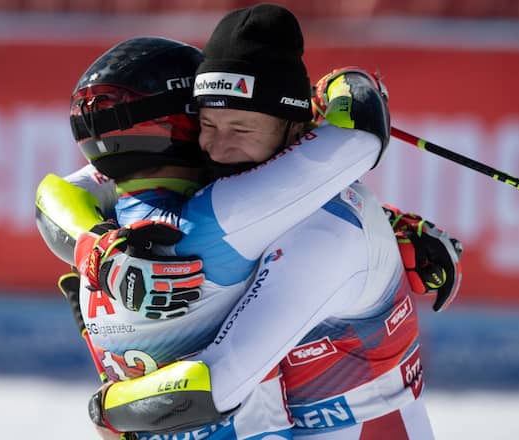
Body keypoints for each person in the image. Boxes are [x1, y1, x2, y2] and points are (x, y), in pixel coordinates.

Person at [36, 5, 461, 439]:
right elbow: (67, 188)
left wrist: (107, 407)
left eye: (241, 129)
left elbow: (214, 387)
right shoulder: (226, 188)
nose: (217, 148)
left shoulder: (323, 232)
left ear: (296, 129)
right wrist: (98, 249)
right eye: (205, 124)